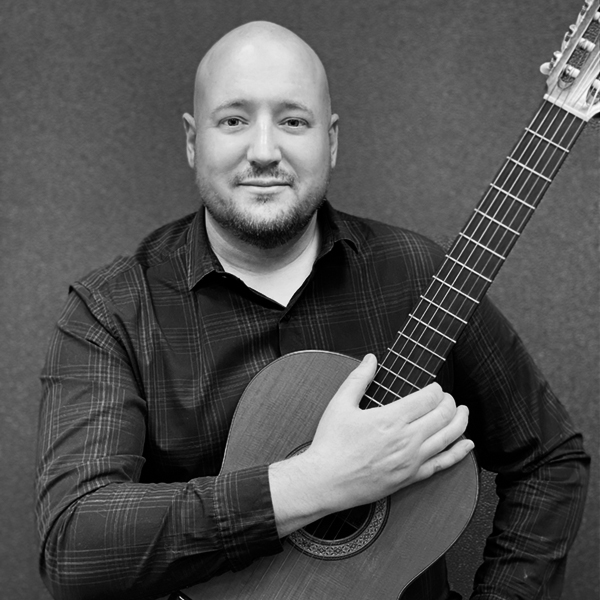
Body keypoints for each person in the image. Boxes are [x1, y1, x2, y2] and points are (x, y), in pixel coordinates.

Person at [35, 20, 589, 600]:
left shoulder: (421, 275)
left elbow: (550, 458)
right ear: (194, 140)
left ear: (332, 140)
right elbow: (74, 546)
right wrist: (315, 483)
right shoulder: (114, 310)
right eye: (234, 120)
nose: (265, 151)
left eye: (293, 121)